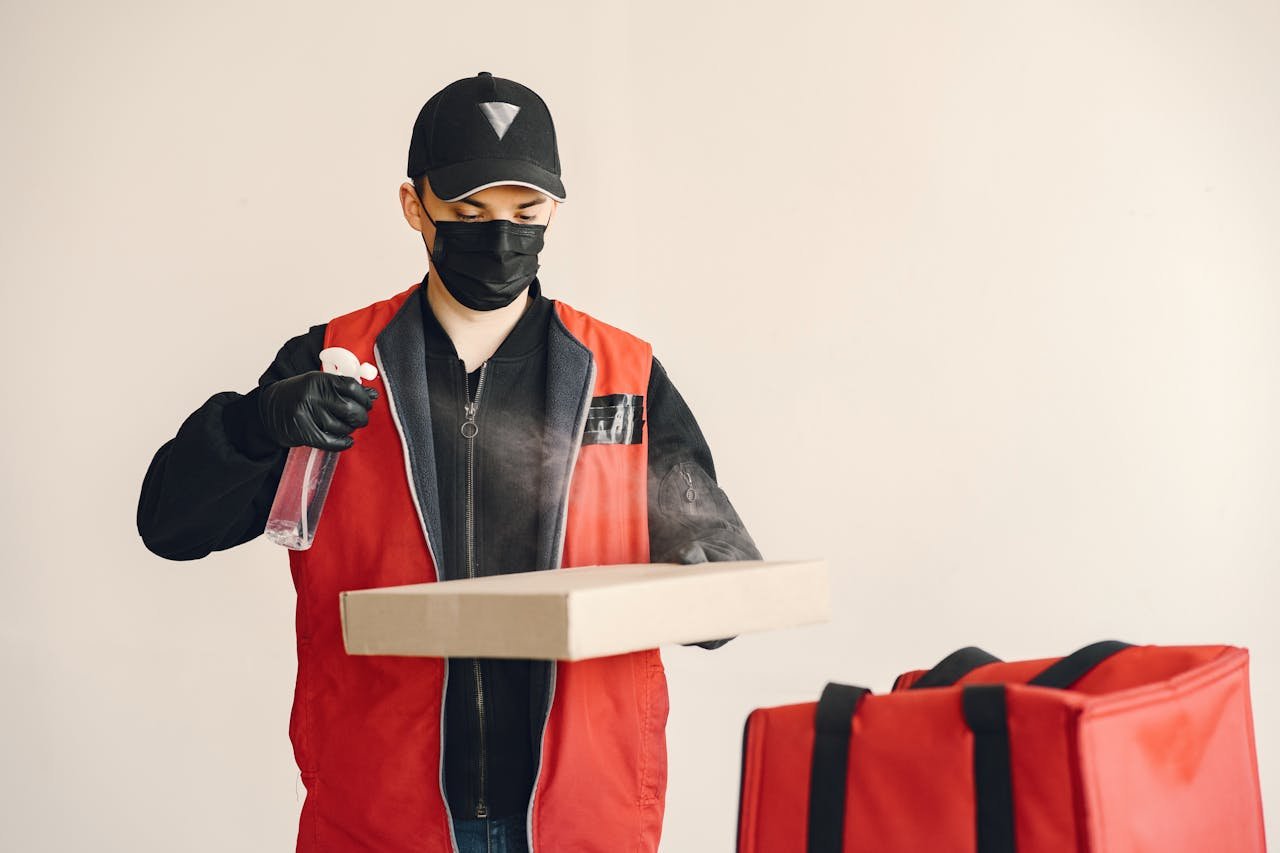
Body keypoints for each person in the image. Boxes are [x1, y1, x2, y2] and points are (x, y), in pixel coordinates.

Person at [136, 71, 761, 853]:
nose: (500, 236)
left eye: (524, 212)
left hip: (583, 821)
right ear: (414, 206)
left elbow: (719, 582)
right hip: (380, 817)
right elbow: (169, 524)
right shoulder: (334, 364)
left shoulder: (624, 376)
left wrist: (709, 579)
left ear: (555, 211)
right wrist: (257, 423)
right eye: (468, 212)